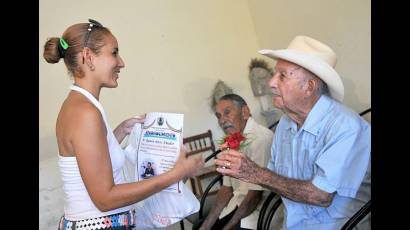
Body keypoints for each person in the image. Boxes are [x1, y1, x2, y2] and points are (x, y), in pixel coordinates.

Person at [43, 19, 204, 230]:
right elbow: (105, 199)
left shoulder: (79, 104)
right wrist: (174, 175)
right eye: (114, 53)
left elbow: (89, 161)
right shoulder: (85, 112)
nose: (121, 62)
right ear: (88, 57)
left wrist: (119, 132)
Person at [215, 35, 371, 229]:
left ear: (309, 87)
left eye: (282, 75)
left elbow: (321, 196)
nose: (271, 82)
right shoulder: (285, 124)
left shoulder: (346, 127)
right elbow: (273, 176)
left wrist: (255, 173)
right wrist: (243, 171)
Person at [199, 94, 273, 230]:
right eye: (218, 116)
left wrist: (228, 227)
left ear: (244, 112)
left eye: (227, 112)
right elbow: (227, 188)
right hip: (238, 204)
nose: (222, 120)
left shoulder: (261, 139)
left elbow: (255, 196)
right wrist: (206, 226)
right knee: (200, 226)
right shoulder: (229, 142)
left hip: (259, 211)